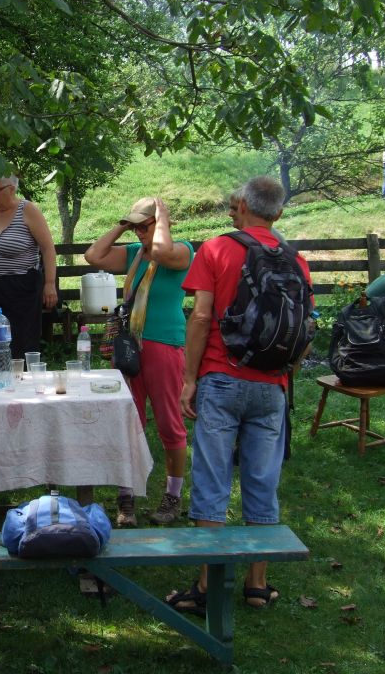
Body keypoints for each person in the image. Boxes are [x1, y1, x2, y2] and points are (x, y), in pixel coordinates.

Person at [169, 176, 312, 615]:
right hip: (272, 387)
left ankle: (207, 584)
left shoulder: (216, 249)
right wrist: (283, 369)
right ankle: (257, 584)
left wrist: (189, 379)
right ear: (279, 214)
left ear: (243, 207)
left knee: (212, 479)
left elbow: (200, 317)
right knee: (262, 481)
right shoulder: (297, 260)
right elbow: (305, 330)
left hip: (221, 377)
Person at [84, 197, 193, 527]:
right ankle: (126, 498)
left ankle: (172, 497)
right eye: (138, 227)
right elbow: (94, 256)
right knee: (129, 420)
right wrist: (123, 225)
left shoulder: (183, 250)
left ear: (162, 223)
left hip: (163, 345)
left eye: (146, 227)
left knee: (168, 424)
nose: (141, 234)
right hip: (130, 346)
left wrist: (161, 220)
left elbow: (161, 252)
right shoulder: (134, 253)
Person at [0, 171, 58, 361]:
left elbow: (48, 249)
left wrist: (50, 283)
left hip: (20, 286)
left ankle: (21, 383)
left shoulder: (28, 210)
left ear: (11, 189)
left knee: (20, 344)